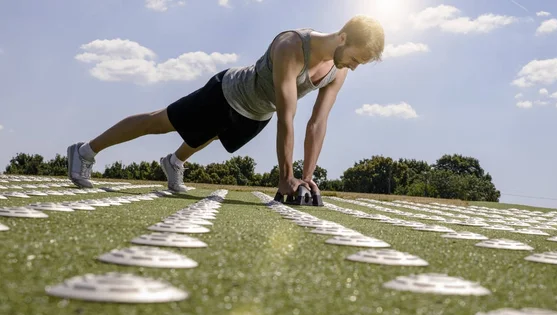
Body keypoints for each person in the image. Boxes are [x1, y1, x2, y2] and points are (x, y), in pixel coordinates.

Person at [67, 15, 385, 196]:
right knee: (159, 122)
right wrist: (286, 177)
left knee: (211, 135)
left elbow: (317, 123)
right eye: (356, 58)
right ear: (343, 37)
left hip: (256, 113)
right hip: (227, 92)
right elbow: (288, 116)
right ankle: (85, 151)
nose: (354, 67)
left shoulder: (338, 71)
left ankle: (174, 162)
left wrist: (307, 177)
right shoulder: (292, 45)